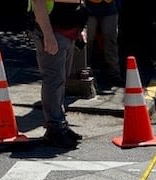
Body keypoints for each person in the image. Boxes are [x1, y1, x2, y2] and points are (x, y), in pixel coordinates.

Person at [29, 0, 88, 149]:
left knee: (60, 80)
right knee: (54, 81)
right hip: (53, 31)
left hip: (66, 31)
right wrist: (48, 35)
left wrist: (80, 28)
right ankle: (55, 128)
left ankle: (60, 124)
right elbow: (38, 3)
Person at [84, 0, 121, 87]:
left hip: (110, 7)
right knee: (86, 41)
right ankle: (84, 71)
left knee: (111, 41)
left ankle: (114, 74)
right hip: (89, 7)